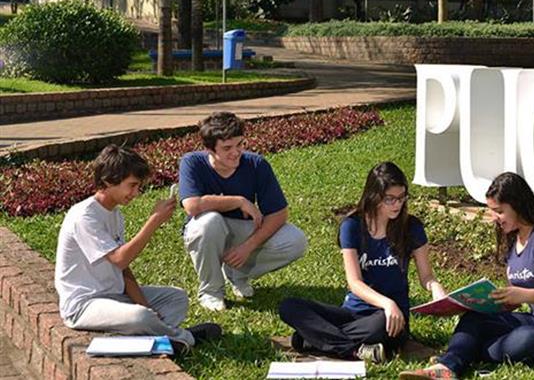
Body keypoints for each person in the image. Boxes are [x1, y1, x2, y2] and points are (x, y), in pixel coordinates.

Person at [400, 172, 534, 379]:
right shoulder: (514, 240)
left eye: (499, 211)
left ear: (518, 205)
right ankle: (448, 367)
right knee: (475, 318)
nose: (494, 217)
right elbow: (517, 299)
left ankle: (464, 353)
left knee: (523, 340)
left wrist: (523, 295)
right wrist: (487, 301)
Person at [54, 145, 221, 353]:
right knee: (139, 317)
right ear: (108, 181)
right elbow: (120, 259)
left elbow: (123, 271)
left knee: (176, 298)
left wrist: (147, 306)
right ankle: (184, 338)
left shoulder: (115, 214)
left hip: (114, 295)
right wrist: (154, 220)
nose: (136, 193)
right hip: (83, 305)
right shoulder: (84, 216)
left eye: (138, 186)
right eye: (131, 185)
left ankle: (149, 338)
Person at [279, 162, 447, 363]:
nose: (397, 204)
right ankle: (355, 350)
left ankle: (311, 340)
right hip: (354, 313)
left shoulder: (412, 227)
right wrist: (386, 302)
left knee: (380, 326)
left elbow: (426, 276)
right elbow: (355, 283)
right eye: (390, 199)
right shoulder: (352, 226)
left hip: (390, 318)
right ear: (374, 196)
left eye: (402, 198)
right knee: (289, 306)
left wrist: (436, 288)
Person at [179, 111, 308, 311]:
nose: (236, 152)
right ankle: (211, 291)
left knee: (295, 240)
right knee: (208, 222)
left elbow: (279, 214)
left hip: (242, 230)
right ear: (209, 149)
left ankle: (236, 273)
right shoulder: (192, 162)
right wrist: (238, 201)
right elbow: (192, 205)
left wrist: (247, 247)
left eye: (240, 144)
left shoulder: (256, 164)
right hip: (208, 232)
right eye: (227, 148)